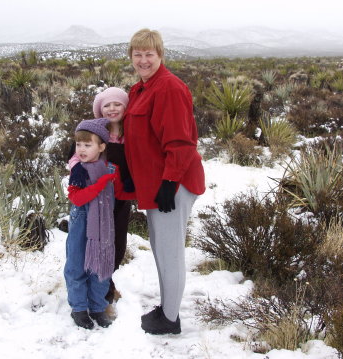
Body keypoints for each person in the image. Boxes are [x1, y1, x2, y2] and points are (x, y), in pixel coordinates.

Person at [124, 28, 206, 335]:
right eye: (138, 54)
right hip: (156, 183)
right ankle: (166, 307)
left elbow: (181, 142)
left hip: (173, 183)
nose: (143, 60)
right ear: (131, 56)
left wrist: (170, 182)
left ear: (160, 55)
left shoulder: (169, 88)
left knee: (169, 250)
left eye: (150, 54)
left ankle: (170, 319)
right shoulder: (140, 90)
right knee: (160, 247)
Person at [64, 118, 133, 330]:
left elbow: (121, 193)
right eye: (78, 145)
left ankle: (97, 306)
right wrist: (100, 184)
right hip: (81, 223)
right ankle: (78, 307)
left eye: (88, 145)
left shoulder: (112, 168)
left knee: (101, 265)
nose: (82, 150)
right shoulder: (79, 170)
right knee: (77, 264)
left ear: (102, 146)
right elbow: (76, 198)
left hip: (105, 225)